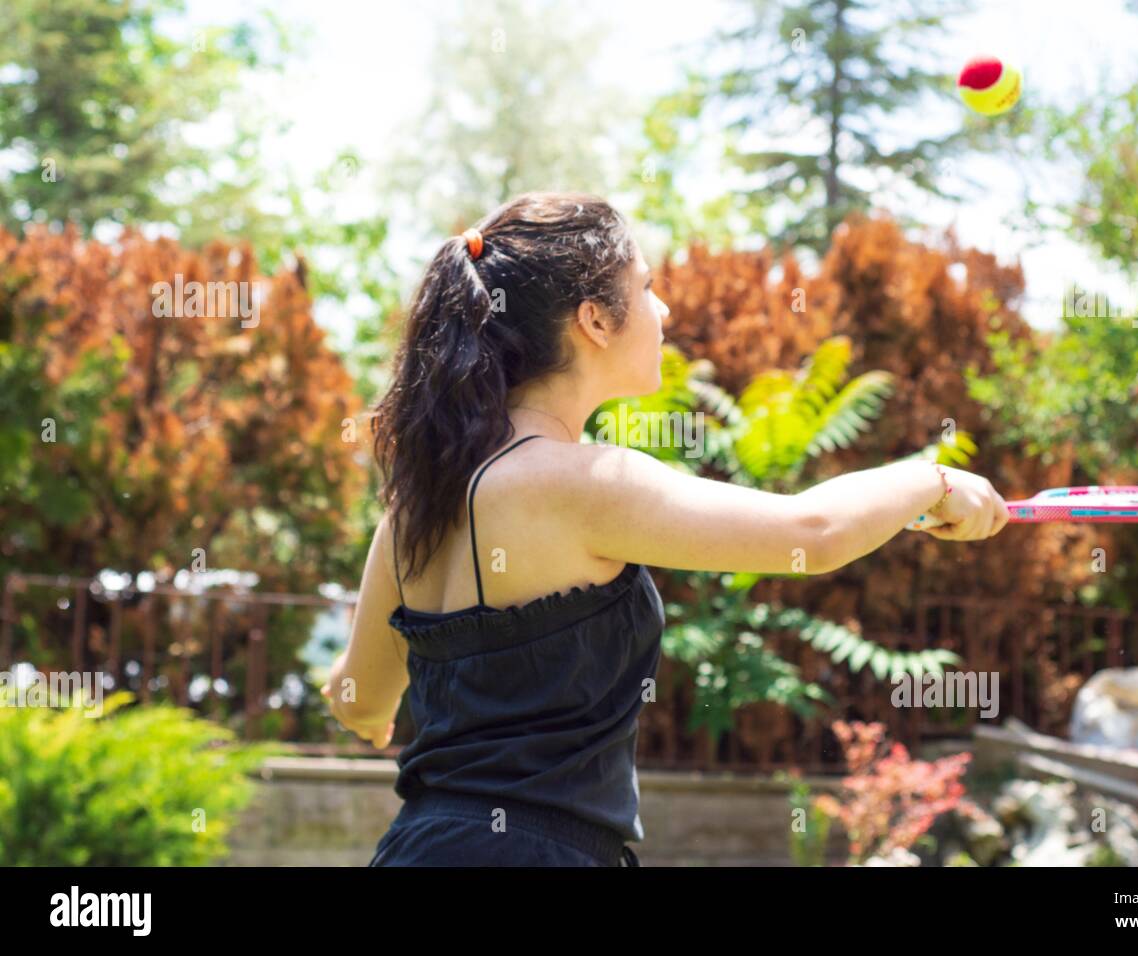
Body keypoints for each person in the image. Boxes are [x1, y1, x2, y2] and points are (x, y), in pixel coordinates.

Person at [323, 191, 1010, 867]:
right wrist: (935, 480)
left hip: (419, 845)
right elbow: (814, 531)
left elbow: (361, 703)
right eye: (647, 287)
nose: (665, 308)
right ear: (593, 318)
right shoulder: (582, 483)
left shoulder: (417, 503)